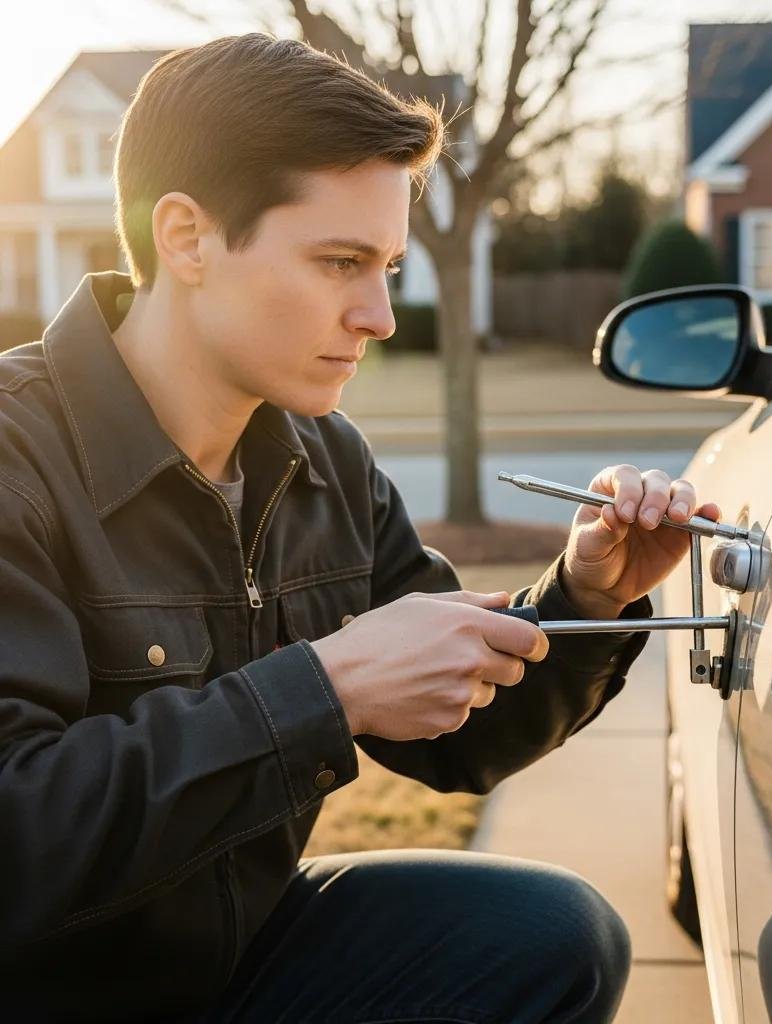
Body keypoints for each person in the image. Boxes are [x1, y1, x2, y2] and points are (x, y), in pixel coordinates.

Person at [0, 34, 718, 1023]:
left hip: (237, 958)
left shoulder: (323, 460)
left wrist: (588, 591)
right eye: (340, 261)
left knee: (553, 933)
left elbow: (457, 741)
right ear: (186, 237)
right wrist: (323, 689)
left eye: (386, 265)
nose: (379, 315)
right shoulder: (14, 458)